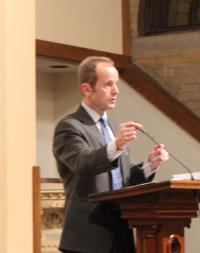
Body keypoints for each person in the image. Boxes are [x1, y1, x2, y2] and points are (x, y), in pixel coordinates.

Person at [53, 56, 169, 253]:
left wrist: (150, 164)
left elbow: (124, 181)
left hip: (121, 234)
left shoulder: (114, 128)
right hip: (88, 239)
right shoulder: (70, 127)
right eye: (108, 84)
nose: (116, 91)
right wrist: (117, 144)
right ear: (87, 89)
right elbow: (83, 163)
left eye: (116, 84)